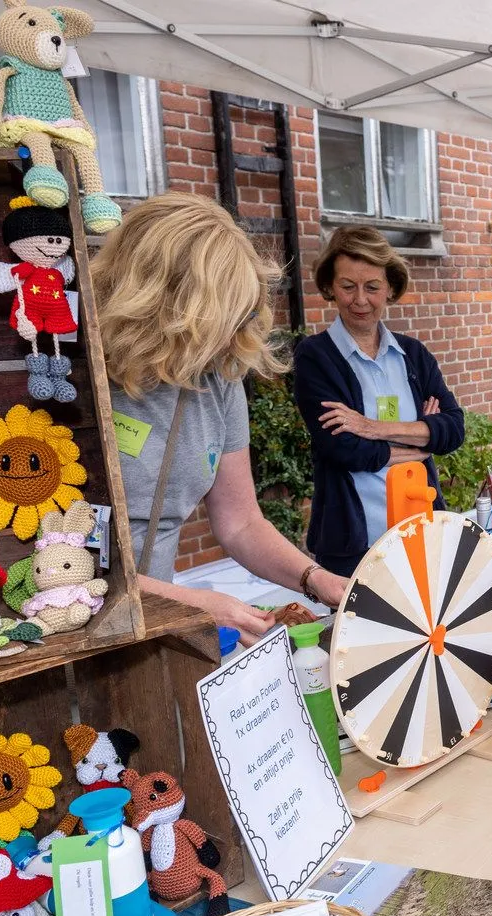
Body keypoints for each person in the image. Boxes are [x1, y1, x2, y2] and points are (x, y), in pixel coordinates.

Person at [93, 192, 348, 639]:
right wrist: (196, 606)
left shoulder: (217, 376)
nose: (232, 335)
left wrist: (315, 579)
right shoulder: (72, 376)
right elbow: (56, 559)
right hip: (65, 629)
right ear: (163, 305)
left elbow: (241, 521)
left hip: (149, 629)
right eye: (221, 318)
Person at [293, 227, 465, 577]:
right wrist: (421, 439)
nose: (360, 299)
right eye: (347, 286)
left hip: (421, 531)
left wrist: (371, 428)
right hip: (353, 548)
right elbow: (343, 449)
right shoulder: (316, 357)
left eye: (372, 287)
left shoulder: (413, 355)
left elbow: (453, 429)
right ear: (330, 286)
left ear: (389, 288)